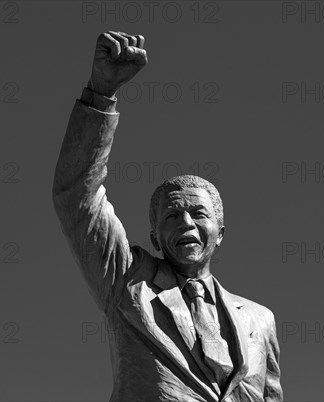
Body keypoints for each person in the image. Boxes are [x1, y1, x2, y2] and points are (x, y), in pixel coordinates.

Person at [52, 31, 283, 402]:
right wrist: (101, 93)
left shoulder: (259, 318)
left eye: (197, 214)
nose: (186, 223)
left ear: (220, 233)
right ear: (156, 238)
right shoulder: (126, 281)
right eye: (172, 216)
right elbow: (76, 196)